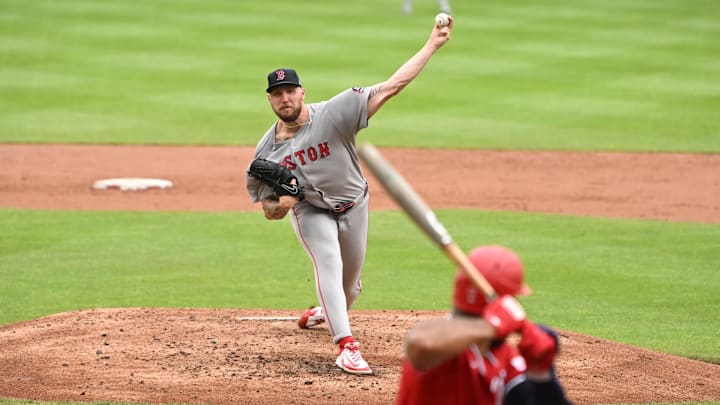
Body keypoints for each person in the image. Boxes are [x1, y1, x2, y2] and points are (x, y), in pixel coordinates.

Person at [245, 16, 455, 375]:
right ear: (270, 100)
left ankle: (325, 311)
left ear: (302, 91)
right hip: (312, 211)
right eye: (277, 94)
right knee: (328, 261)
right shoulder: (266, 155)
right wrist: (287, 202)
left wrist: (433, 43)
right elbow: (268, 209)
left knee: (350, 288)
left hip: (355, 203)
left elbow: (391, 87)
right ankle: (346, 345)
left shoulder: (336, 113)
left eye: (290, 91)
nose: (285, 98)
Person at [396, 245, 574, 404]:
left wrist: (542, 377)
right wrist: (494, 324)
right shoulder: (442, 346)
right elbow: (421, 346)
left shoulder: (504, 357)